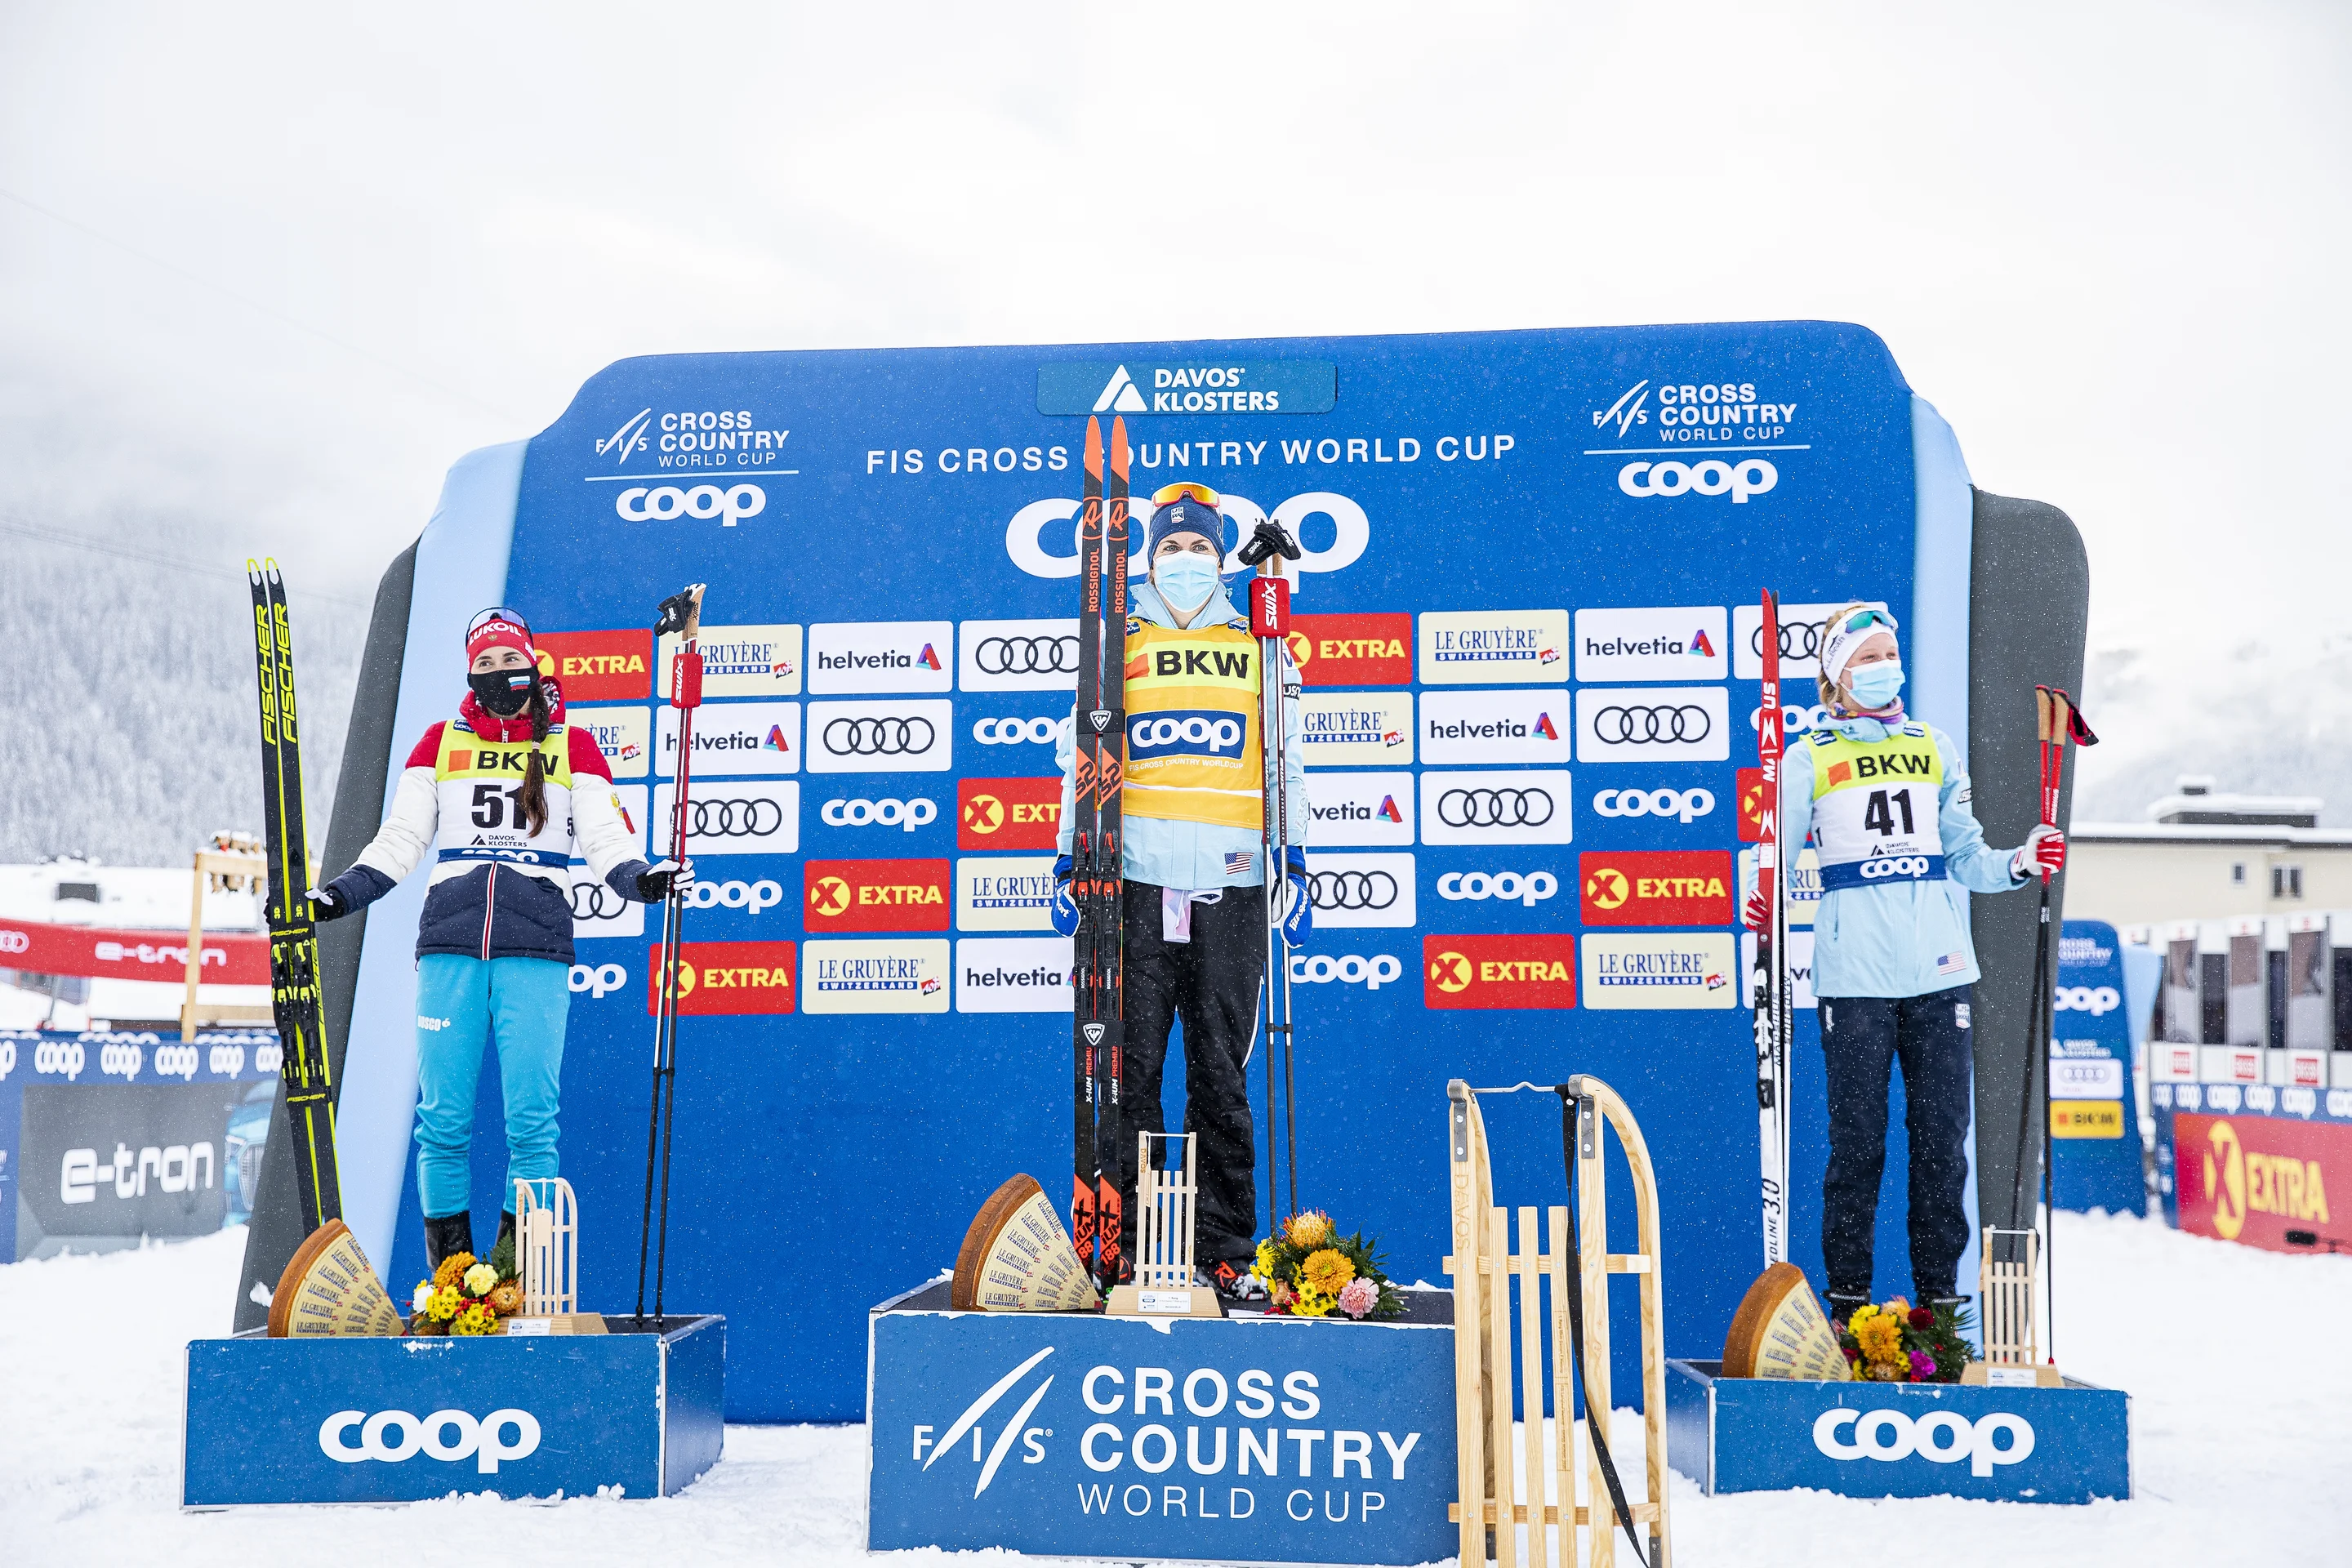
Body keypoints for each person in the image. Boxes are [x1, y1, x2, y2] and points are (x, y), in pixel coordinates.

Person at [308, 607, 693, 1268]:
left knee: (533, 1127)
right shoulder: (438, 744)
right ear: (470, 673)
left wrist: (642, 879)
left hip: (534, 953)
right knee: (442, 1126)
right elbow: (401, 839)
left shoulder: (573, 746)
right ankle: (453, 1285)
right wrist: (341, 893)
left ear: (532, 664)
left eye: (509, 659)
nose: (497, 671)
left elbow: (606, 840)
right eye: (483, 663)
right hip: (450, 952)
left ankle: (515, 1278)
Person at [1745, 603, 2063, 1321]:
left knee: (1943, 1148)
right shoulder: (1809, 756)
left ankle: (1940, 1308)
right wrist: (1756, 896)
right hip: (1855, 978)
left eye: (1890, 653)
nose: (1885, 666)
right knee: (1858, 1148)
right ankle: (1848, 1305)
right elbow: (1770, 858)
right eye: (1868, 657)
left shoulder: (1933, 746)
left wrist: (2019, 861)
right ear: (1838, 673)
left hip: (1940, 973)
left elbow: (1966, 856)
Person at [1050, 482, 1311, 1295]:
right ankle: (1125, 1246)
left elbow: (1286, 757)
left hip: (1231, 887)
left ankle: (1225, 1249)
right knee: (1129, 1074)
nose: (1186, 560)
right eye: (1172, 547)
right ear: (1149, 559)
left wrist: (1295, 856)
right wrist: (1068, 858)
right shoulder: (1117, 640)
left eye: (1201, 547)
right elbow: (1081, 757)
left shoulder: (1262, 643)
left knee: (1221, 1076)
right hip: (1134, 882)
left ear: (1222, 559)